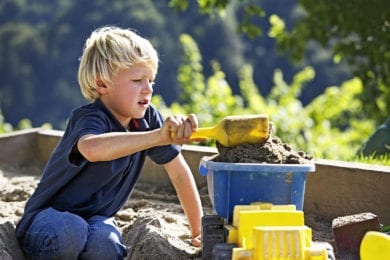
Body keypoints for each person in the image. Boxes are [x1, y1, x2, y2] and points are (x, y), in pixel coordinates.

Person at [15, 26, 203, 259]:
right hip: (49, 217)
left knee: (107, 245)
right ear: (102, 85)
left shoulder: (148, 119)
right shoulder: (89, 118)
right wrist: (157, 136)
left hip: (96, 219)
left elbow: (179, 173)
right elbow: (92, 148)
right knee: (71, 231)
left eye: (151, 80)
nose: (148, 89)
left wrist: (198, 230)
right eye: (137, 80)